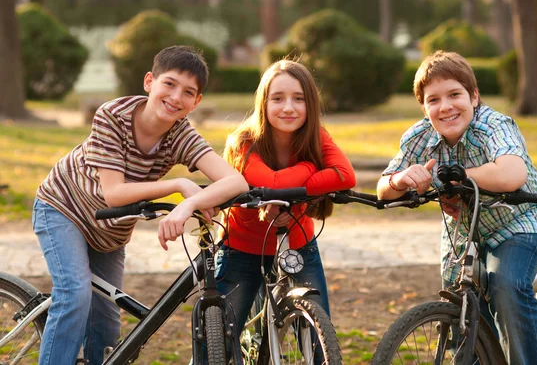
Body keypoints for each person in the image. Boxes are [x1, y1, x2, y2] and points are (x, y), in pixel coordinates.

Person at [33, 45, 249, 365]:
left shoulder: (180, 134)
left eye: (188, 92)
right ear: (150, 82)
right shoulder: (112, 116)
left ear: (196, 102)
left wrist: (187, 206)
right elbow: (114, 193)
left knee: (106, 322)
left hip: (110, 230)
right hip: (63, 209)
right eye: (170, 84)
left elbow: (236, 182)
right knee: (75, 297)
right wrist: (178, 186)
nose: (176, 97)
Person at [377, 50, 537, 365]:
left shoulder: (494, 126)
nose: (445, 107)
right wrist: (401, 179)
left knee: (507, 286)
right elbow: (383, 190)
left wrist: (458, 180)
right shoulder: (419, 136)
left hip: (520, 221)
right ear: (424, 107)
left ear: (474, 97)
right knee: (460, 300)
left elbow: (513, 173)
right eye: (433, 100)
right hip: (465, 230)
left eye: (454, 95)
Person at [213, 59, 356, 339]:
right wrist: (310, 169)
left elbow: (345, 175)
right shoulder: (244, 141)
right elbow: (273, 183)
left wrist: (293, 187)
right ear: (263, 103)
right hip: (241, 250)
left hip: (298, 246)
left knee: (320, 338)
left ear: (310, 105)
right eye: (277, 98)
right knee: (218, 342)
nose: (288, 107)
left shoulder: (317, 137)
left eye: (298, 99)